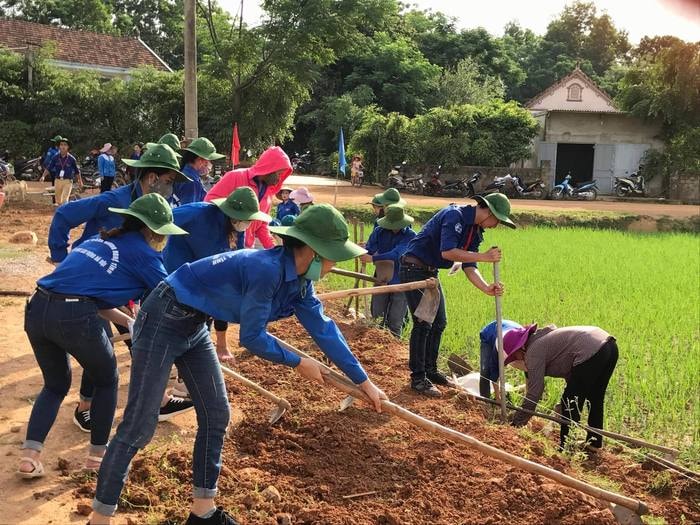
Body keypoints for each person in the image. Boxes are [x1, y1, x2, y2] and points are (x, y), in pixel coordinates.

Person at [89, 204, 386, 525]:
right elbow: (253, 338)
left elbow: (325, 330)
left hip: (193, 322)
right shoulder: (266, 270)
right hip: (165, 315)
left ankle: (203, 512)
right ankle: (100, 517)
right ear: (313, 252)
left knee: (217, 414)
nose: (333, 264)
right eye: (332, 256)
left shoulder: (300, 284)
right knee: (139, 425)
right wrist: (299, 361)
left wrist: (364, 383)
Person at [16, 193, 188, 480]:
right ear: (150, 230)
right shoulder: (144, 255)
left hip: (37, 308)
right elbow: (171, 298)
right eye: (162, 234)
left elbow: (88, 293)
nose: (163, 240)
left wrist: (127, 321)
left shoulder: (98, 240)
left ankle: (29, 458)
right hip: (74, 315)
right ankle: (97, 457)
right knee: (106, 379)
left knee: (56, 385)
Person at [46, 144, 195, 423]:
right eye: (168, 182)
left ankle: (159, 400)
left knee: (139, 339)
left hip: (125, 285)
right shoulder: (113, 200)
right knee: (99, 347)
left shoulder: (160, 208)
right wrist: (59, 258)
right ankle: (84, 408)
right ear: (151, 178)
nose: (171, 189)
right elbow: (64, 215)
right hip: (91, 286)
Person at [399, 193, 515, 396]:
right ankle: (418, 378)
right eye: (497, 220)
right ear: (487, 211)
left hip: (430, 273)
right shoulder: (454, 216)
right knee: (424, 322)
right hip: (414, 268)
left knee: (439, 322)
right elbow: (448, 252)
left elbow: (470, 266)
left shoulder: (476, 232)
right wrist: (485, 256)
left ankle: (430, 370)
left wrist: (486, 287)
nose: (495, 225)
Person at [163, 187, 271, 362]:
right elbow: (160, 218)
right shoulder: (197, 213)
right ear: (231, 214)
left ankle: (207, 357)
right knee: (187, 325)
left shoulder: (237, 229)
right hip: (179, 274)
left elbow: (238, 261)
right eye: (244, 219)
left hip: (206, 277)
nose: (246, 224)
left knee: (208, 311)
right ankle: (183, 377)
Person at [504, 324, 619, 451]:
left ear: (519, 349)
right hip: (609, 346)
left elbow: (534, 393)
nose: (517, 359)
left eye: (515, 356)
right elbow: (573, 374)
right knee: (595, 398)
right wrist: (561, 405)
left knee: (570, 401)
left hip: (591, 349)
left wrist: (517, 423)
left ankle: (566, 447)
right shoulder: (543, 340)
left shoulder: (533, 352)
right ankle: (594, 443)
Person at [205, 146, 292, 249]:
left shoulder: (268, 193)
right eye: (279, 174)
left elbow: (261, 226)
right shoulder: (235, 177)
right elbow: (208, 204)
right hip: (222, 244)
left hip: (246, 248)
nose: (279, 179)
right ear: (270, 169)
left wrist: (273, 250)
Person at [361, 205, 416, 337]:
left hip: (401, 281)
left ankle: (394, 349)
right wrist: (362, 252)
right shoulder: (379, 231)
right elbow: (370, 248)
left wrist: (373, 258)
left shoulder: (410, 235)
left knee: (395, 322)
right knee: (377, 318)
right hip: (381, 278)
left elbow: (396, 254)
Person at [477, 319, 523, 398]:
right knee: (485, 371)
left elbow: (528, 373)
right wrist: (498, 398)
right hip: (489, 334)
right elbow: (494, 369)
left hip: (509, 329)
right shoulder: (502, 348)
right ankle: (484, 401)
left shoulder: (526, 348)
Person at [176, 137, 225, 204]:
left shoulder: (185, 174)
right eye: (209, 161)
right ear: (200, 160)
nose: (210, 164)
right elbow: (190, 211)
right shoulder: (191, 182)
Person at [40, 137, 82, 206]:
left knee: (65, 200)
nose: (63, 146)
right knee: (58, 201)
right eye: (61, 145)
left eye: (65, 145)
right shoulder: (55, 157)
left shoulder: (72, 159)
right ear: (59, 146)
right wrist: (43, 176)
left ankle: (66, 215)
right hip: (57, 181)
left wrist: (80, 181)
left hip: (68, 181)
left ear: (68, 147)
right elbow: (49, 168)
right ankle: (60, 213)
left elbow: (77, 171)